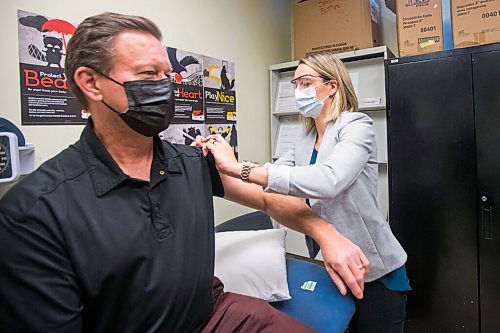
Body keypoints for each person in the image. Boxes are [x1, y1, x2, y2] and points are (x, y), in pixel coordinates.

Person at [0, 13, 367, 333]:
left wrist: (324, 230)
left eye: (166, 74)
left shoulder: (192, 162)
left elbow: (269, 199)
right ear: (91, 83)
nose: (165, 86)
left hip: (217, 313)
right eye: (148, 74)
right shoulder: (34, 211)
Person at [205, 52, 411, 333]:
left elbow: (330, 180)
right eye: (295, 84)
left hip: (374, 269)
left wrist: (238, 168)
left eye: (306, 82)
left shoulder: (356, 125)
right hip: (332, 265)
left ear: (333, 86)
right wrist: (219, 164)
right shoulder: (305, 139)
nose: (298, 91)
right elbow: (272, 182)